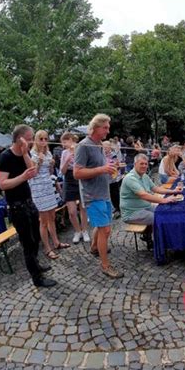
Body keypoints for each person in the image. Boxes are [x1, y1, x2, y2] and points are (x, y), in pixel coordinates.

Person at [0, 124, 56, 287]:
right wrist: (22, 177)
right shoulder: (5, 156)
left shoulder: (24, 153)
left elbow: (33, 171)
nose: (31, 142)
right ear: (19, 139)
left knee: (35, 238)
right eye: (29, 139)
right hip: (16, 207)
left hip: (29, 202)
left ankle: (36, 265)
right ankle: (36, 278)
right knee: (27, 243)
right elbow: (2, 184)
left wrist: (25, 154)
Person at [74, 114, 123, 279]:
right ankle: (105, 266)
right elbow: (77, 173)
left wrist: (109, 166)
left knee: (104, 228)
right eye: (106, 127)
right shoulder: (83, 146)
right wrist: (102, 169)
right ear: (96, 127)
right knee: (105, 229)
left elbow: (100, 166)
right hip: (92, 195)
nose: (108, 131)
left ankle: (95, 247)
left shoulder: (100, 145)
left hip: (104, 192)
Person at [120, 154, 183, 248]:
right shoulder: (130, 178)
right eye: (141, 164)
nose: (144, 166)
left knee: (166, 212)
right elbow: (143, 195)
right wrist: (164, 200)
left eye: (146, 164)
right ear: (135, 164)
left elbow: (155, 188)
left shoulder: (144, 176)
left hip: (145, 208)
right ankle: (162, 245)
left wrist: (173, 191)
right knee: (160, 218)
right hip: (132, 213)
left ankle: (161, 240)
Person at [29, 130, 70, 260]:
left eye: (45, 138)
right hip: (38, 189)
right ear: (35, 139)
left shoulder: (48, 152)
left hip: (48, 187)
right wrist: (39, 162)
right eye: (41, 139)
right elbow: (32, 174)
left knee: (52, 217)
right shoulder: (32, 154)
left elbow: (50, 172)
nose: (43, 141)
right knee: (43, 221)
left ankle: (56, 242)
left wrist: (52, 164)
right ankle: (47, 248)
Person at [60, 132, 89, 244]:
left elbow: (85, 165)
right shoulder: (64, 153)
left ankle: (85, 230)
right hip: (68, 178)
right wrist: (67, 159)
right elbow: (62, 171)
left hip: (80, 178)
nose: (63, 144)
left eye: (65, 141)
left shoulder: (80, 149)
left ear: (71, 140)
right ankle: (78, 231)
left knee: (83, 207)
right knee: (71, 211)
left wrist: (75, 153)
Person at [102, 140, 122, 219]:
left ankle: (118, 209)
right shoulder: (102, 156)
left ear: (109, 147)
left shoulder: (113, 155)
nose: (105, 149)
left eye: (106, 147)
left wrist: (112, 165)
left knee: (115, 194)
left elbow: (116, 165)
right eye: (103, 147)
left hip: (113, 178)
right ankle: (110, 209)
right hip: (104, 179)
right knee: (107, 195)